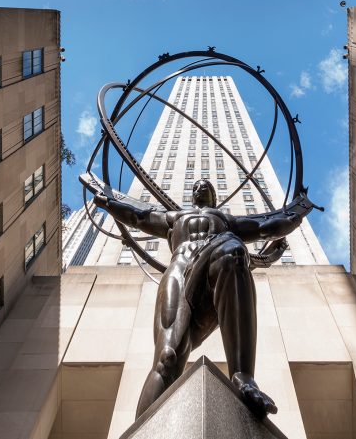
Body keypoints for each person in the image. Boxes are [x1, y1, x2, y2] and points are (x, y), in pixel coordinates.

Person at [83, 176, 317, 418]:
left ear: (214, 197)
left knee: (234, 251)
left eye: (206, 185)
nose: (200, 186)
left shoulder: (227, 220)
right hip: (180, 270)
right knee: (167, 357)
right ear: (191, 195)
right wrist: (108, 203)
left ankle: (243, 376)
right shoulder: (174, 217)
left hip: (215, 261)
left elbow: (265, 226)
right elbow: (138, 216)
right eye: (196, 186)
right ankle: (142, 429)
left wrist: (298, 212)